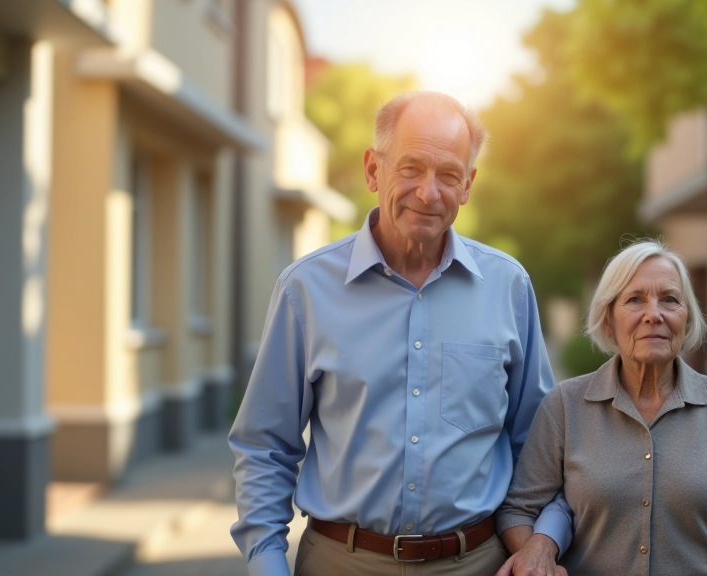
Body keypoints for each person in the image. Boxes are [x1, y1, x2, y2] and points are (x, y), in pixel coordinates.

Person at [229, 92, 571, 576]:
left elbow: (540, 450)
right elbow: (265, 447)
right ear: (374, 171)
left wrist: (545, 542)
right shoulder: (305, 290)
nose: (429, 192)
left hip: (475, 563)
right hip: (339, 563)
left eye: (449, 175)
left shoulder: (508, 287)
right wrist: (267, 564)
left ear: (468, 185)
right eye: (410, 168)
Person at [497, 240, 707, 576]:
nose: (653, 314)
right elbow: (519, 509)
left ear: (686, 320)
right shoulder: (564, 406)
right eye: (635, 300)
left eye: (669, 300)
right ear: (608, 321)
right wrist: (537, 558)